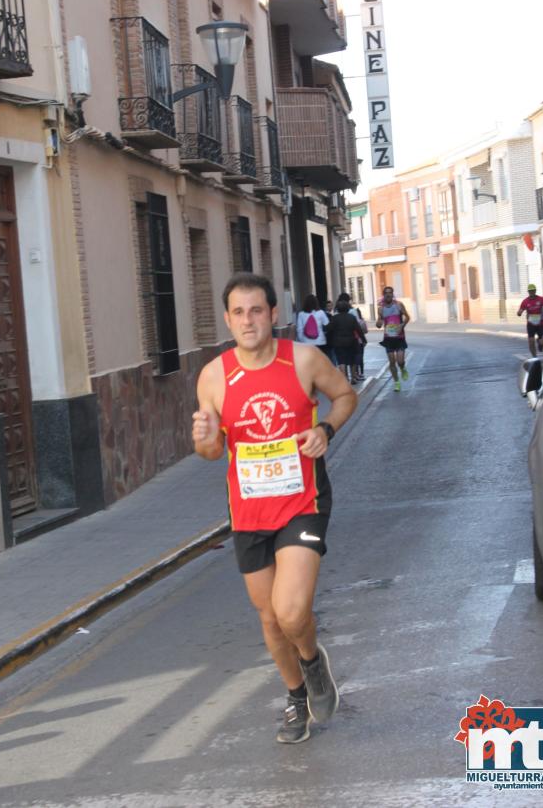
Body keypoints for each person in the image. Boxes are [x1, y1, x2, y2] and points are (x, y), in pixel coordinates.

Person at [192, 272, 357, 744]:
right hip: (248, 510)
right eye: (239, 312)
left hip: (302, 500)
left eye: (257, 310)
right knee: (268, 618)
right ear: (227, 320)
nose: (249, 320)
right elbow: (210, 450)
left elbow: (346, 395)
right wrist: (203, 441)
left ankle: (311, 661)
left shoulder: (303, 360)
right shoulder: (214, 376)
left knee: (290, 610)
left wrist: (324, 429)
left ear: (273, 314)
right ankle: (297, 694)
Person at [375, 286, 410, 392]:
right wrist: (379, 323)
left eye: (390, 292)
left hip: (399, 337)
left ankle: (403, 368)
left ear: (393, 294)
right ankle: (396, 382)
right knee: (392, 362)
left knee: (400, 361)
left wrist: (402, 325)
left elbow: (407, 317)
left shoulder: (399, 305)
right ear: (384, 295)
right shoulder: (381, 308)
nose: (388, 294)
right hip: (388, 338)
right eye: (386, 293)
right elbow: (378, 323)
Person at [327, 299, 367, 384]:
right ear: (347, 308)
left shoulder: (335, 318)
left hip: (338, 342)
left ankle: (344, 378)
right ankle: (353, 378)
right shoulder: (351, 318)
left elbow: (328, 328)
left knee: (341, 361)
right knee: (352, 360)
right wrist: (363, 340)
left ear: (337, 309)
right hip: (351, 342)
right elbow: (358, 329)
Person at [517, 284, 543, 356]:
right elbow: (520, 311)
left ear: (535, 291)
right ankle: (534, 356)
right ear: (528, 292)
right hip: (530, 324)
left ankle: (539, 343)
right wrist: (519, 313)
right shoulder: (525, 301)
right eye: (530, 291)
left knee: (542, 342)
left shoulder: (541, 299)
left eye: (533, 291)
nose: (531, 292)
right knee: (531, 341)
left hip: (540, 324)